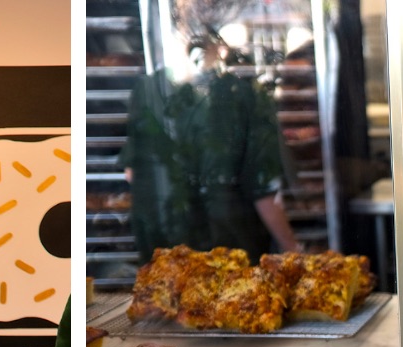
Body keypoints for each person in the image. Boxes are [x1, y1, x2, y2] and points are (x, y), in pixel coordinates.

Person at [122, 26, 302, 260]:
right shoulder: (247, 95)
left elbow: (131, 173)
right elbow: (265, 190)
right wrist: (293, 249)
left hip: (162, 248)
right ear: (220, 48)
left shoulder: (147, 90)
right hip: (229, 245)